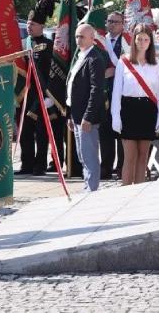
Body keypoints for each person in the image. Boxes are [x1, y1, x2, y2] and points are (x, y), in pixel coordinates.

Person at [112, 24, 159, 185]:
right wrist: (116, 117)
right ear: (134, 40)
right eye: (139, 39)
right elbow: (116, 92)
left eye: (146, 39)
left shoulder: (155, 63)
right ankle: (126, 191)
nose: (142, 42)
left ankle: (139, 192)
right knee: (129, 157)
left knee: (143, 156)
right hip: (128, 109)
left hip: (148, 110)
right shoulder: (124, 62)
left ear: (150, 41)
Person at [19, 0, 64, 176]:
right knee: (25, 132)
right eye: (28, 23)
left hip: (42, 95)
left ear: (41, 27)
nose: (29, 26)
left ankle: (40, 164)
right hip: (25, 94)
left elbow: (52, 73)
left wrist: (49, 97)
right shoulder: (23, 44)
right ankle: (26, 164)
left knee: (42, 132)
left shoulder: (48, 45)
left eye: (33, 24)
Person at [67, 23, 107, 191]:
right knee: (82, 155)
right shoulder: (80, 56)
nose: (78, 40)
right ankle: (87, 186)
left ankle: (91, 190)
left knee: (89, 155)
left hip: (86, 117)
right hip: (76, 114)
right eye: (76, 36)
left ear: (92, 38)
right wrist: (69, 115)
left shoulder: (95, 59)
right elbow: (72, 87)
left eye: (82, 37)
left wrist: (88, 117)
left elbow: (96, 90)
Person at [100, 11, 127, 181]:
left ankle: (122, 168)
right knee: (106, 132)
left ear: (122, 24)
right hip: (104, 92)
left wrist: (114, 72)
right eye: (109, 21)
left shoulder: (127, 41)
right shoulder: (101, 41)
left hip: (122, 92)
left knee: (121, 131)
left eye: (116, 22)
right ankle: (106, 167)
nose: (112, 24)